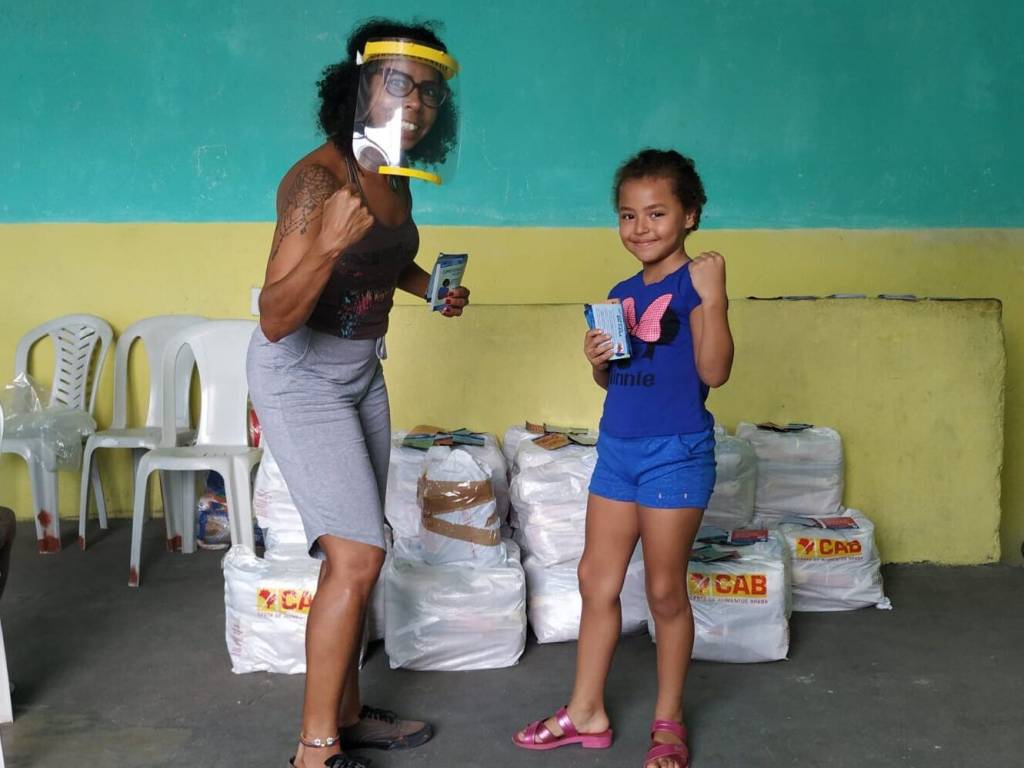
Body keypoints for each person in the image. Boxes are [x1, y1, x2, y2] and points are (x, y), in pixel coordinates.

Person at [246, 18, 469, 768]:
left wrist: (428, 288)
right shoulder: (316, 182)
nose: (417, 101)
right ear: (360, 84)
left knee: (355, 552)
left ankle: (343, 711)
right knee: (360, 557)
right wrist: (333, 241)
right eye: (399, 82)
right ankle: (314, 750)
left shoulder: (394, 175)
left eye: (429, 91)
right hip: (300, 373)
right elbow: (277, 316)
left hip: (359, 371)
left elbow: (380, 259)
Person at [513, 149, 734, 768]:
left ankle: (669, 720)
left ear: (691, 215)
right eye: (628, 215)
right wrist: (598, 363)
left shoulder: (699, 283)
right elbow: (623, 382)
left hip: (676, 455)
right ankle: (586, 711)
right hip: (618, 449)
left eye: (657, 213)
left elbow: (713, 371)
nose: (641, 228)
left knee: (665, 592)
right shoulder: (621, 293)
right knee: (594, 580)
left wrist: (713, 298)